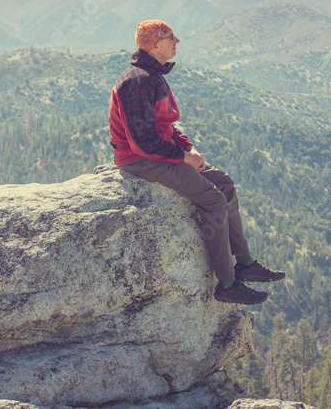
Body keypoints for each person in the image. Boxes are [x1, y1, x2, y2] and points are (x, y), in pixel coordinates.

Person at [109, 19, 285, 305]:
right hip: (140, 160)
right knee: (213, 201)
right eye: (170, 37)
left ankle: (245, 262)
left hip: (157, 152)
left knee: (225, 184)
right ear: (155, 45)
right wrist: (183, 158)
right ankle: (227, 284)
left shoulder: (152, 75)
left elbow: (164, 128)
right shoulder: (138, 81)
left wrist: (189, 149)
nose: (176, 41)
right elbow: (142, 141)